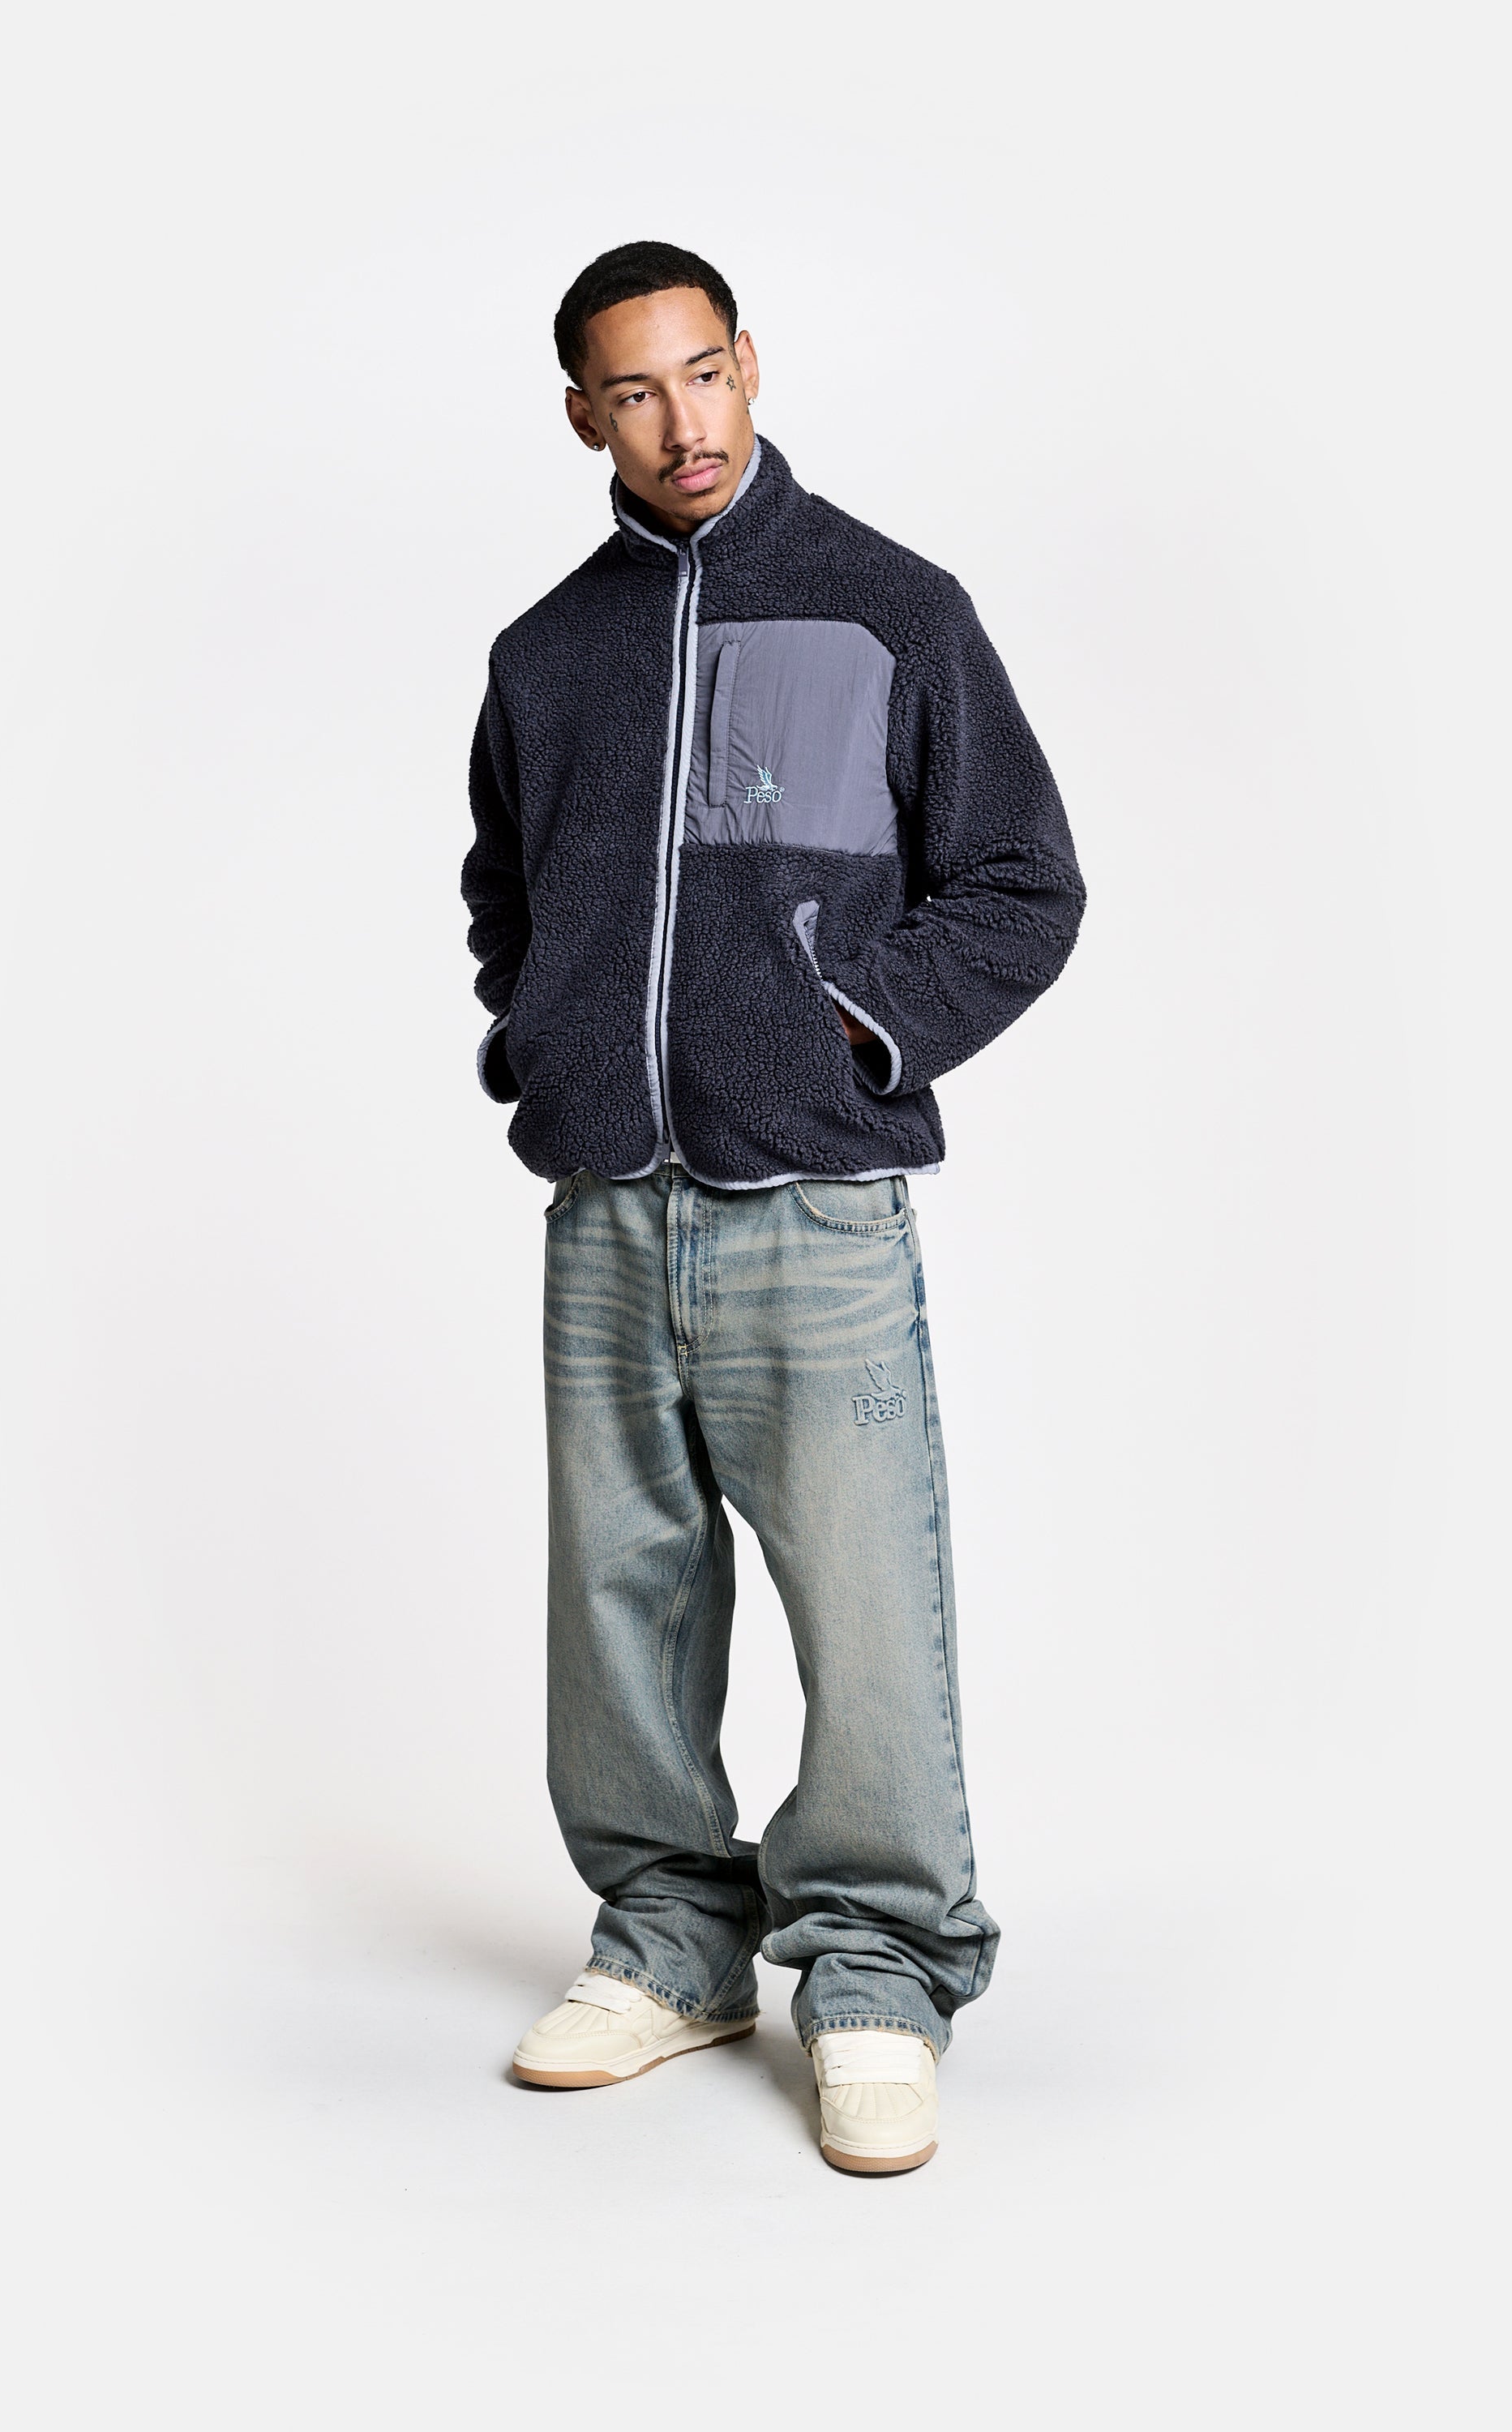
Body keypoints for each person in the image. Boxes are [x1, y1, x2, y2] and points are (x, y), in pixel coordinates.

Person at [462, 240, 1085, 2173]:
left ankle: (881, 1966)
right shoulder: (544, 655)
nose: (682, 422)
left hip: (813, 1204)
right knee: (617, 1601)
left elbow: (1020, 881)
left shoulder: (892, 608)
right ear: (584, 415)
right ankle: (669, 1942)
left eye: (705, 372)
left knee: (867, 1607)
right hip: (604, 1203)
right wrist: (546, 1042)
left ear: (750, 362)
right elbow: (504, 899)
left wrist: (851, 1027)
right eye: (634, 392)